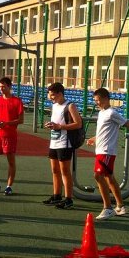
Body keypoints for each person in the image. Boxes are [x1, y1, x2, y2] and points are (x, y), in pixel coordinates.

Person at [88, 87, 129, 220]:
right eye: (95, 100)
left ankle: (107, 208)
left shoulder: (112, 113)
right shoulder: (102, 113)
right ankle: (120, 206)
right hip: (101, 150)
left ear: (105, 99)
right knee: (109, 178)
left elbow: (128, 125)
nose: (96, 103)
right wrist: (95, 138)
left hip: (107, 151)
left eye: (98, 100)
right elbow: (104, 131)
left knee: (98, 176)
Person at [43, 82, 83, 210]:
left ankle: (68, 199)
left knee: (65, 171)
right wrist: (51, 125)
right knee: (55, 170)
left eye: (53, 95)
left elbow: (78, 124)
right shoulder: (54, 106)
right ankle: (56, 195)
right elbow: (57, 122)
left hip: (65, 143)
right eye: (50, 95)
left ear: (60, 93)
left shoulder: (70, 106)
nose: (51, 97)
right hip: (54, 141)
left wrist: (60, 126)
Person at [0, 77, 24, 196]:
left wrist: (6, 123)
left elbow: (21, 120)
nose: (1, 89)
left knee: (11, 162)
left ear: (9, 87)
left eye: (3, 87)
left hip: (10, 136)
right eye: (0, 87)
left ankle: (9, 186)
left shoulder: (17, 101)